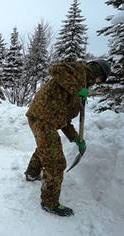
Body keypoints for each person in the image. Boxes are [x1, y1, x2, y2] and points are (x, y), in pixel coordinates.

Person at [24, 59, 111, 217]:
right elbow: (55, 69)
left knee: (45, 149)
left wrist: (76, 138)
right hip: (42, 117)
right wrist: (78, 88)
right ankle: (49, 202)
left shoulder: (81, 90)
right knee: (56, 161)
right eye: (99, 80)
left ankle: (31, 173)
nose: (97, 83)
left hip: (46, 119)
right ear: (98, 73)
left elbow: (65, 121)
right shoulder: (77, 70)